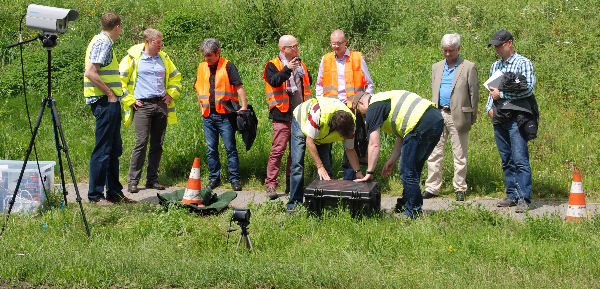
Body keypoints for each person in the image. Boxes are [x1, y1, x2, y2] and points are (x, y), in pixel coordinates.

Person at [353, 91, 443, 219]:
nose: (363, 115)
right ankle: (405, 205)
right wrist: (392, 159)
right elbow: (401, 137)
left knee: (406, 170)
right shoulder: (385, 99)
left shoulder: (373, 107)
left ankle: (414, 210)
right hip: (436, 120)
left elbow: (374, 144)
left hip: (421, 124)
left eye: (360, 111)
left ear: (362, 102)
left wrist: (369, 172)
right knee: (413, 168)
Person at [119, 28, 182, 193]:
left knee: (157, 144)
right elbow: (119, 81)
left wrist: (171, 94)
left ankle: (152, 180)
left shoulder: (164, 57)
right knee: (141, 142)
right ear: (147, 42)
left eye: (161, 42)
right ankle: (133, 181)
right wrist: (129, 100)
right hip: (142, 106)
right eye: (157, 42)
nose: (161, 45)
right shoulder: (133, 58)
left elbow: (176, 76)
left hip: (161, 104)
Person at [83, 13, 133, 205]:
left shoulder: (101, 41)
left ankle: (113, 192)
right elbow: (90, 72)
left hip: (108, 102)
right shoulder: (103, 43)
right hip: (105, 102)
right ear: (118, 27)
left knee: (113, 148)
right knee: (104, 149)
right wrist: (110, 94)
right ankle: (95, 196)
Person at [424, 33, 479, 202]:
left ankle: (460, 187)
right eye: (445, 50)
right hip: (438, 114)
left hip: (460, 115)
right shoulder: (436, 67)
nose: (447, 54)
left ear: (458, 48)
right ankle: (432, 187)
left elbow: (474, 94)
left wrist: (471, 116)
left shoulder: (469, 67)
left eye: (451, 50)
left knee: (460, 154)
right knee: (434, 152)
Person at [486, 30, 536, 213]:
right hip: (499, 116)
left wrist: (503, 94)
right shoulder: (495, 66)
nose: (497, 49)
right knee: (506, 158)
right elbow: (491, 90)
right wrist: (489, 107)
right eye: (495, 46)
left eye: (499, 45)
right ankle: (511, 194)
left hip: (516, 117)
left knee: (520, 158)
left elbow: (528, 88)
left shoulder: (523, 63)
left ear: (509, 43)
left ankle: (524, 198)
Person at [315, 29, 374, 180]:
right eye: (333, 44)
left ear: (346, 41)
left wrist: (364, 102)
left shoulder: (357, 58)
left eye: (339, 43)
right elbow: (319, 85)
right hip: (330, 108)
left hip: (351, 108)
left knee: (350, 144)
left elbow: (369, 84)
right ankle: (326, 178)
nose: (336, 47)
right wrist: (321, 103)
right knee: (324, 143)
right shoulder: (326, 59)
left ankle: (350, 180)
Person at [288, 98, 363, 210]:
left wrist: (358, 172)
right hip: (302, 121)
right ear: (333, 126)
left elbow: (350, 150)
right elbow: (309, 142)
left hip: (321, 134)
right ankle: (294, 205)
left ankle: (323, 206)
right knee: (297, 164)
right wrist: (319, 166)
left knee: (326, 170)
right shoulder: (318, 113)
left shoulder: (350, 124)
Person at [194, 38, 248, 191]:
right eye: (204, 55)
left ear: (218, 53)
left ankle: (235, 179)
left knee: (230, 148)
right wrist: (201, 108)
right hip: (208, 116)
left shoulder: (228, 66)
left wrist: (243, 107)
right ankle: (214, 179)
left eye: (210, 55)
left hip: (225, 115)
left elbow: (239, 86)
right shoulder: (201, 67)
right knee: (211, 148)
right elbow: (198, 89)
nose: (207, 58)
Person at [263, 35, 312, 199]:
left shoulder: (300, 63)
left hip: (300, 115)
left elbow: (307, 82)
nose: (297, 48)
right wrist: (288, 69)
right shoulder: (272, 65)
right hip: (282, 115)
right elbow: (274, 81)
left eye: (297, 45)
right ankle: (271, 184)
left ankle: (292, 185)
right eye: (294, 46)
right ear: (284, 49)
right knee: (278, 150)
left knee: (295, 152)